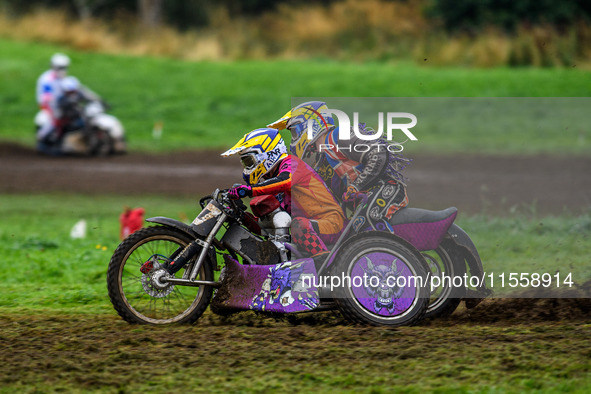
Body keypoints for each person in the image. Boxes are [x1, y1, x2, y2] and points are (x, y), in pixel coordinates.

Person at [268, 101, 411, 219]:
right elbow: (317, 191)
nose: (294, 138)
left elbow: (378, 154)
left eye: (294, 131)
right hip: (367, 198)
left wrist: (356, 186)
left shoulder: (339, 136)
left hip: (386, 190)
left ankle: (391, 253)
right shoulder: (323, 158)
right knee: (348, 233)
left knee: (364, 222)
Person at [222, 127, 346, 259]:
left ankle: (326, 267)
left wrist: (248, 190)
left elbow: (285, 180)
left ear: (268, 154)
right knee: (276, 242)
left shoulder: (291, 163)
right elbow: (267, 228)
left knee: (298, 225)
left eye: (249, 161)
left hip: (332, 222)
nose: (247, 167)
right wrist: (242, 217)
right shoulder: (272, 182)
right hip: (309, 227)